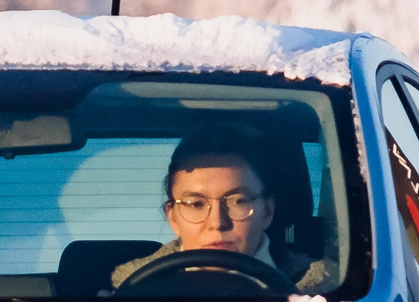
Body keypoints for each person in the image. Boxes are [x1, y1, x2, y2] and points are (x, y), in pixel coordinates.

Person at [110, 124, 334, 291]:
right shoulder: (127, 297)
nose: (217, 223)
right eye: (196, 204)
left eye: (238, 201)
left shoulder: (330, 295)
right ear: (173, 217)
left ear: (267, 211)